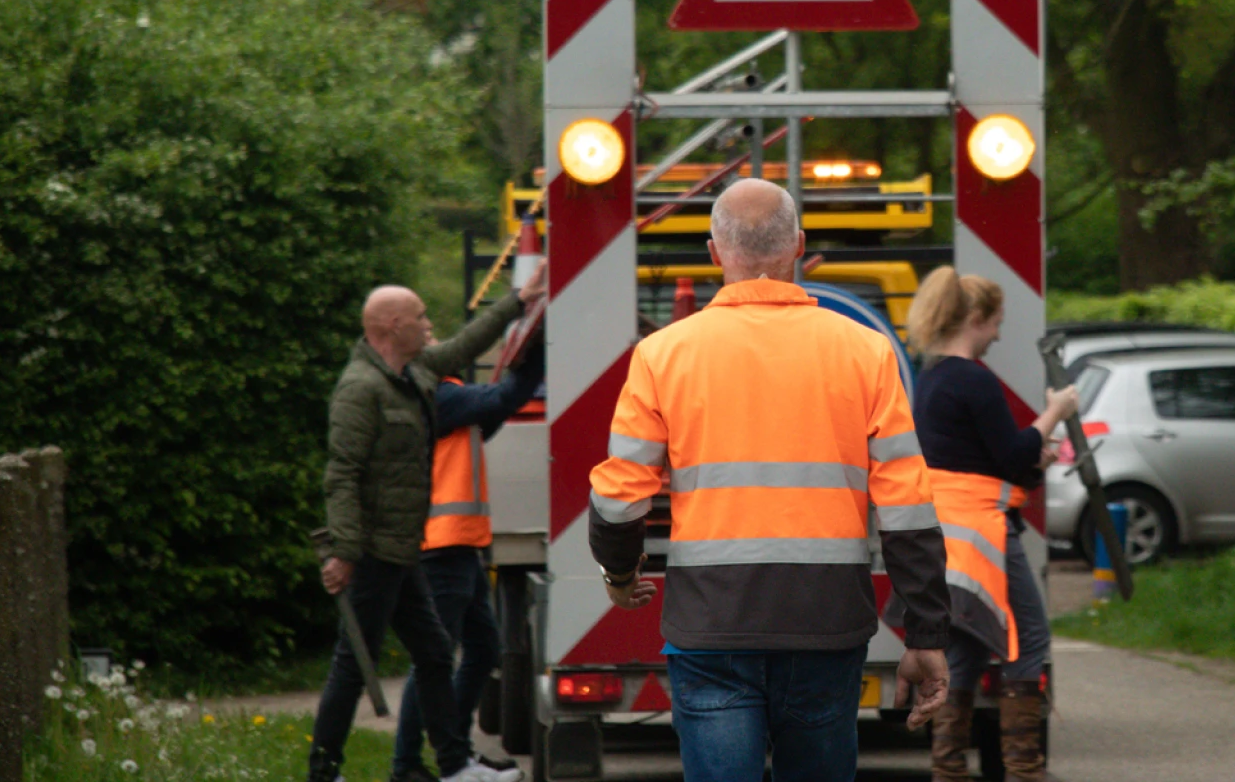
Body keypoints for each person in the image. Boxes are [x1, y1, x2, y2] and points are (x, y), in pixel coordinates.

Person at [588, 178, 952, 782]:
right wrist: (927, 631)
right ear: (800, 248)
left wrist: (621, 573)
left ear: (713, 252)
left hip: (711, 628)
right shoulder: (866, 352)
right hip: (826, 623)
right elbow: (907, 507)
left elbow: (619, 497)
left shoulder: (663, 355)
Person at [308, 266, 545, 782]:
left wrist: (518, 302)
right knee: (352, 666)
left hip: (408, 551)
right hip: (373, 554)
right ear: (392, 325)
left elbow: (461, 348)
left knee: (437, 654)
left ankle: (455, 767)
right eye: (419, 317)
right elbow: (341, 475)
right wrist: (345, 553)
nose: (427, 323)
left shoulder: (413, 374)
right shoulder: (360, 389)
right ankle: (323, 772)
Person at [904, 266, 1077, 782]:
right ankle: (1025, 770)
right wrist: (1055, 412)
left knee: (966, 645)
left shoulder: (931, 377)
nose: (999, 334)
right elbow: (1011, 451)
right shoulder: (973, 378)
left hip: (948, 538)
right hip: (987, 535)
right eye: (996, 323)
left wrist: (1030, 462)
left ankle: (948, 770)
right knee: (1029, 642)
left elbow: (985, 458)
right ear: (974, 318)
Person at [387, 330, 545, 782]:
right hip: (442, 547)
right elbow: (503, 396)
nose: (439, 338)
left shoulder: (447, 397)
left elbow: (499, 407)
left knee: (482, 649)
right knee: (435, 659)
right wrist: (541, 347)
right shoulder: (435, 395)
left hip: (460, 545)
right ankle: (412, 766)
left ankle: (451, 754)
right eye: (430, 334)